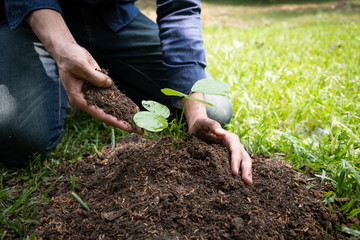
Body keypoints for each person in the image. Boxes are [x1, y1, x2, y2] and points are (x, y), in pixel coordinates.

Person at [0, 0, 252, 184]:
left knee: (213, 109)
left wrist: (195, 114)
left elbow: (179, 8)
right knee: (20, 137)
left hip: (111, 16)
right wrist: (61, 45)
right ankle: (62, 70)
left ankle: (104, 68)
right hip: (30, 16)